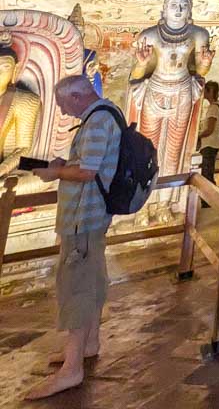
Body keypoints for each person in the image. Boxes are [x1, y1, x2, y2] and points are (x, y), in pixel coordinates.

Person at [26, 76, 122, 401]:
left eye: (64, 104)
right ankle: (89, 344)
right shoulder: (105, 114)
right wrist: (63, 165)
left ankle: (72, 368)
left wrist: (55, 172)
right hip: (90, 217)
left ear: (78, 96)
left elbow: (87, 172)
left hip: (83, 219)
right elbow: (88, 164)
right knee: (91, 281)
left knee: (76, 287)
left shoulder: (96, 122)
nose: (64, 111)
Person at [197, 81, 219, 196]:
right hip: (211, 144)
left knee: (207, 175)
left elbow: (210, 129)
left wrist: (198, 136)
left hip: (210, 145)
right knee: (207, 173)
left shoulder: (213, 108)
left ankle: (210, 198)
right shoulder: (215, 106)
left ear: (210, 92)